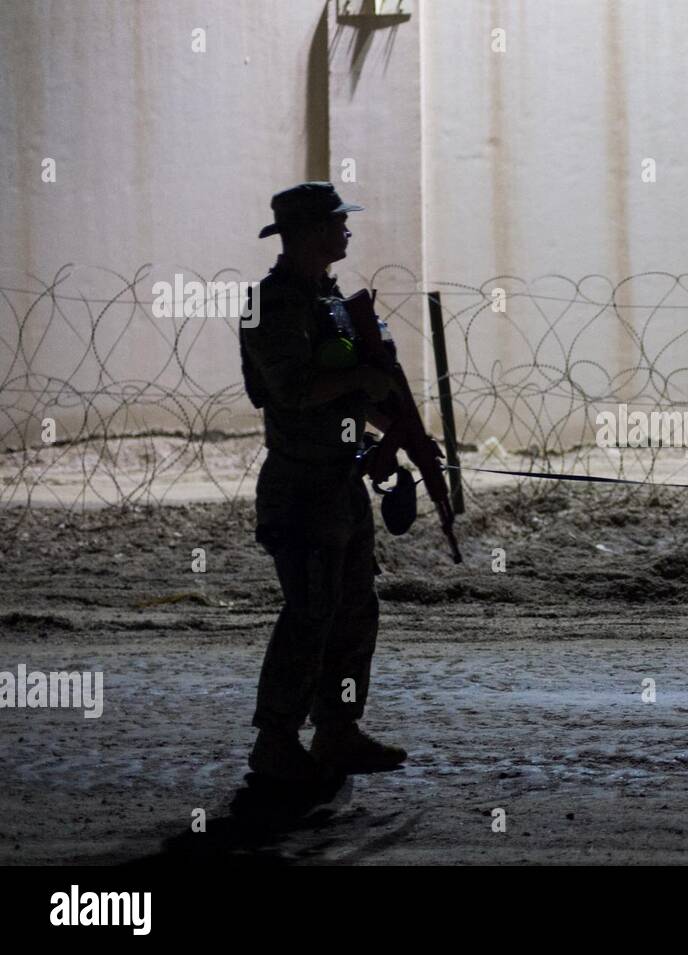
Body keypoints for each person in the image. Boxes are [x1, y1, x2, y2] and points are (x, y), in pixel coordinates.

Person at [239, 182, 407, 781]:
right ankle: (276, 740)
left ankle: (338, 730)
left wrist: (383, 437)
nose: (347, 231)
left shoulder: (331, 299)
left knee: (354, 611)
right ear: (310, 233)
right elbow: (293, 390)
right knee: (310, 613)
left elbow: (347, 399)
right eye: (337, 223)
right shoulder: (270, 303)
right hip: (301, 487)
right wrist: (363, 378)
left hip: (341, 482)